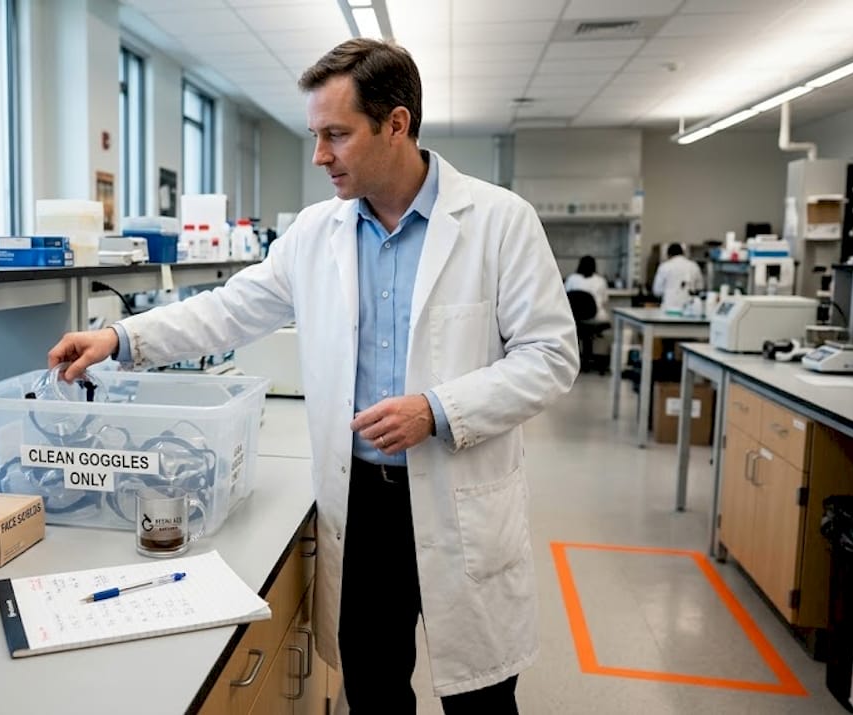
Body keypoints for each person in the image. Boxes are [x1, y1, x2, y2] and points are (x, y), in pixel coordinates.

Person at [48, 39, 578, 714]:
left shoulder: (499, 222)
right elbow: (230, 310)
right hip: (362, 505)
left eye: (336, 134)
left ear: (397, 124)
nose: (320, 155)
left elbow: (551, 356)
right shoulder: (314, 233)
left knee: (482, 697)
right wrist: (123, 336)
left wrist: (437, 408)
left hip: (458, 496)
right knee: (375, 688)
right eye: (315, 135)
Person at [652, 243, 704, 311]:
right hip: (689, 309)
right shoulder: (694, 266)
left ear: (669, 254)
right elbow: (700, 287)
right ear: (683, 253)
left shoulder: (664, 266)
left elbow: (657, 290)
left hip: (668, 307)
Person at [564, 255, 609, 322]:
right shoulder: (601, 280)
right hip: (595, 316)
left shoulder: (571, 279)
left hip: (574, 316)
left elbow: (565, 298)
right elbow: (605, 300)